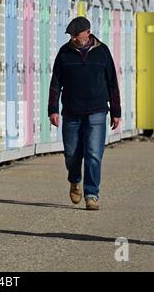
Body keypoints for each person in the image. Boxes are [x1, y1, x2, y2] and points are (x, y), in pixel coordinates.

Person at [48, 16, 121, 210]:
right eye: (71, 35)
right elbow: (55, 83)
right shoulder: (64, 53)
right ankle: (74, 179)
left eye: (76, 35)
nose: (73, 38)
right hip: (71, 111)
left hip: (97, 110)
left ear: (88, 32)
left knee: (94, 154)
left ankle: (91, 194)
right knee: (71, 154)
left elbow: (112, 83)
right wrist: (53, 110)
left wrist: (116, 111)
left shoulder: (102, 52)